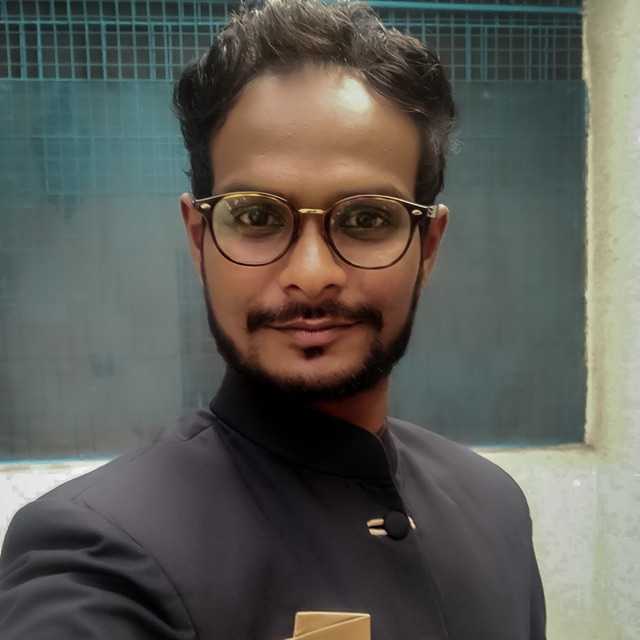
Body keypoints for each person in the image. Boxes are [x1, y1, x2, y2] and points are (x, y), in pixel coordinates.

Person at [0, 1, 546, 638]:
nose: (312, 274)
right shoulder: (98, 556)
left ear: (427, 247)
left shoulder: (494, 507)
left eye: (367, 218)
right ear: (199, 239)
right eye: (257, 216)